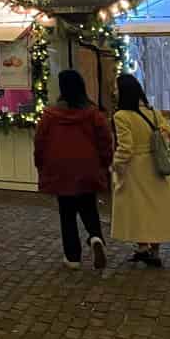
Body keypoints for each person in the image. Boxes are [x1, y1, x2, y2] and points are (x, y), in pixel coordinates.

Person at [34, 70, 113, 270]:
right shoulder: (93, 114)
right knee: (89, 207)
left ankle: (73, 257)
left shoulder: (50, 115)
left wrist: (40, 164)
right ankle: (95, 237)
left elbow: (40, 142)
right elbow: (105, 142)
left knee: (67, 213)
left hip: (60, 169)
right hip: (88, 167)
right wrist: (105, 163)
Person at [110, 74, 170, 266]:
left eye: (116, 88)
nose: (114, 92)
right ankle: (154, 250)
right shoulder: (152, 112)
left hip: (134, 167)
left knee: (137, 208)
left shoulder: (121, 116)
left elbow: (125, 147)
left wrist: (116, 166)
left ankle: (142, 247)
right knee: (155, 207)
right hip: (154, 165)